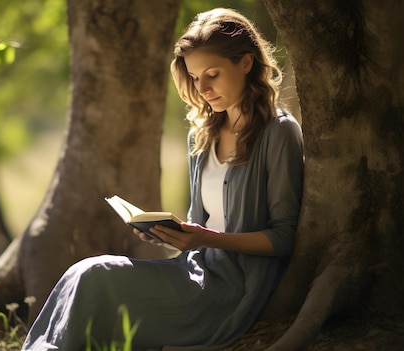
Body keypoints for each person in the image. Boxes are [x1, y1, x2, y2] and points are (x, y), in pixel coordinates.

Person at [21, 7, 304, 351]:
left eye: (212, 74)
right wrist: (172, 235)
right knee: (86, 273)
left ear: (245, 63)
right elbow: (202, 228)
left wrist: (208, 239)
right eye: (195, 77)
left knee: (96, 279)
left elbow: (283, 237)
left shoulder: (279, 132)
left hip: (229, 294)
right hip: (190, 272)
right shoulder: (202, 137)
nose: (203, 89)